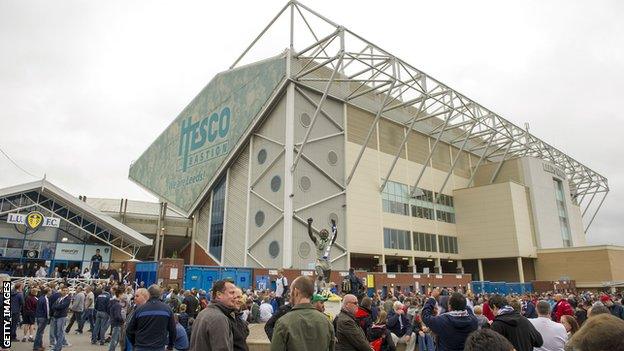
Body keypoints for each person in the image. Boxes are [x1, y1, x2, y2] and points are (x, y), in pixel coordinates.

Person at [270, 276, 335, 351]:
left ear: (296, 292)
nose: (290, 296)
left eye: (291, 292)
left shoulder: (283, 322)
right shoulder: (326, 321)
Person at [189, 279, 238, 351]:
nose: (235, 296)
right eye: (231, 293)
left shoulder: (203, 313)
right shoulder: (219, 318)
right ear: (219, 295)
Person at [126, 284, 175, 351]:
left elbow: (129, 330)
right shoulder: (167, 310)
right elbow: (172, 330)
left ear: (148, 294)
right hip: (158, 347)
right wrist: (170, 346)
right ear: (160, 294)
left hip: (141, 347)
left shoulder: (140, 310)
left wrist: (135, 343)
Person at [307, 217, 338, 292]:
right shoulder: (317, 242)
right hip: (319, 262)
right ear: (320, 234)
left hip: (327, 263)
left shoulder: (330, 242)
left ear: (327, 235)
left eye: (325, 232)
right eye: (322, 232)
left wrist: (334, 225)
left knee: (327, 281)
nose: (324, 233)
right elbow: (311, 235)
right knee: (320, 275)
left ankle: (326, 291)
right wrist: (309, 224)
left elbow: (335, 234)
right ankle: (317, 289)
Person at [51, 286, 71, 351]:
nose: (65, 291)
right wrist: (56, 307)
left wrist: (56, 307)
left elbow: (62, 306)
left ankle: (58, 348)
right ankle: (57, 345)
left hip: (62, 317)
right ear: (61, 291)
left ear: (68, 291)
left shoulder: (68, 298)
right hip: (56, 316)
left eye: (66, 290)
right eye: (64, 290)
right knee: (55, 332)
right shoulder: (59, 298)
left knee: (60, 332)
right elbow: (53, 305)